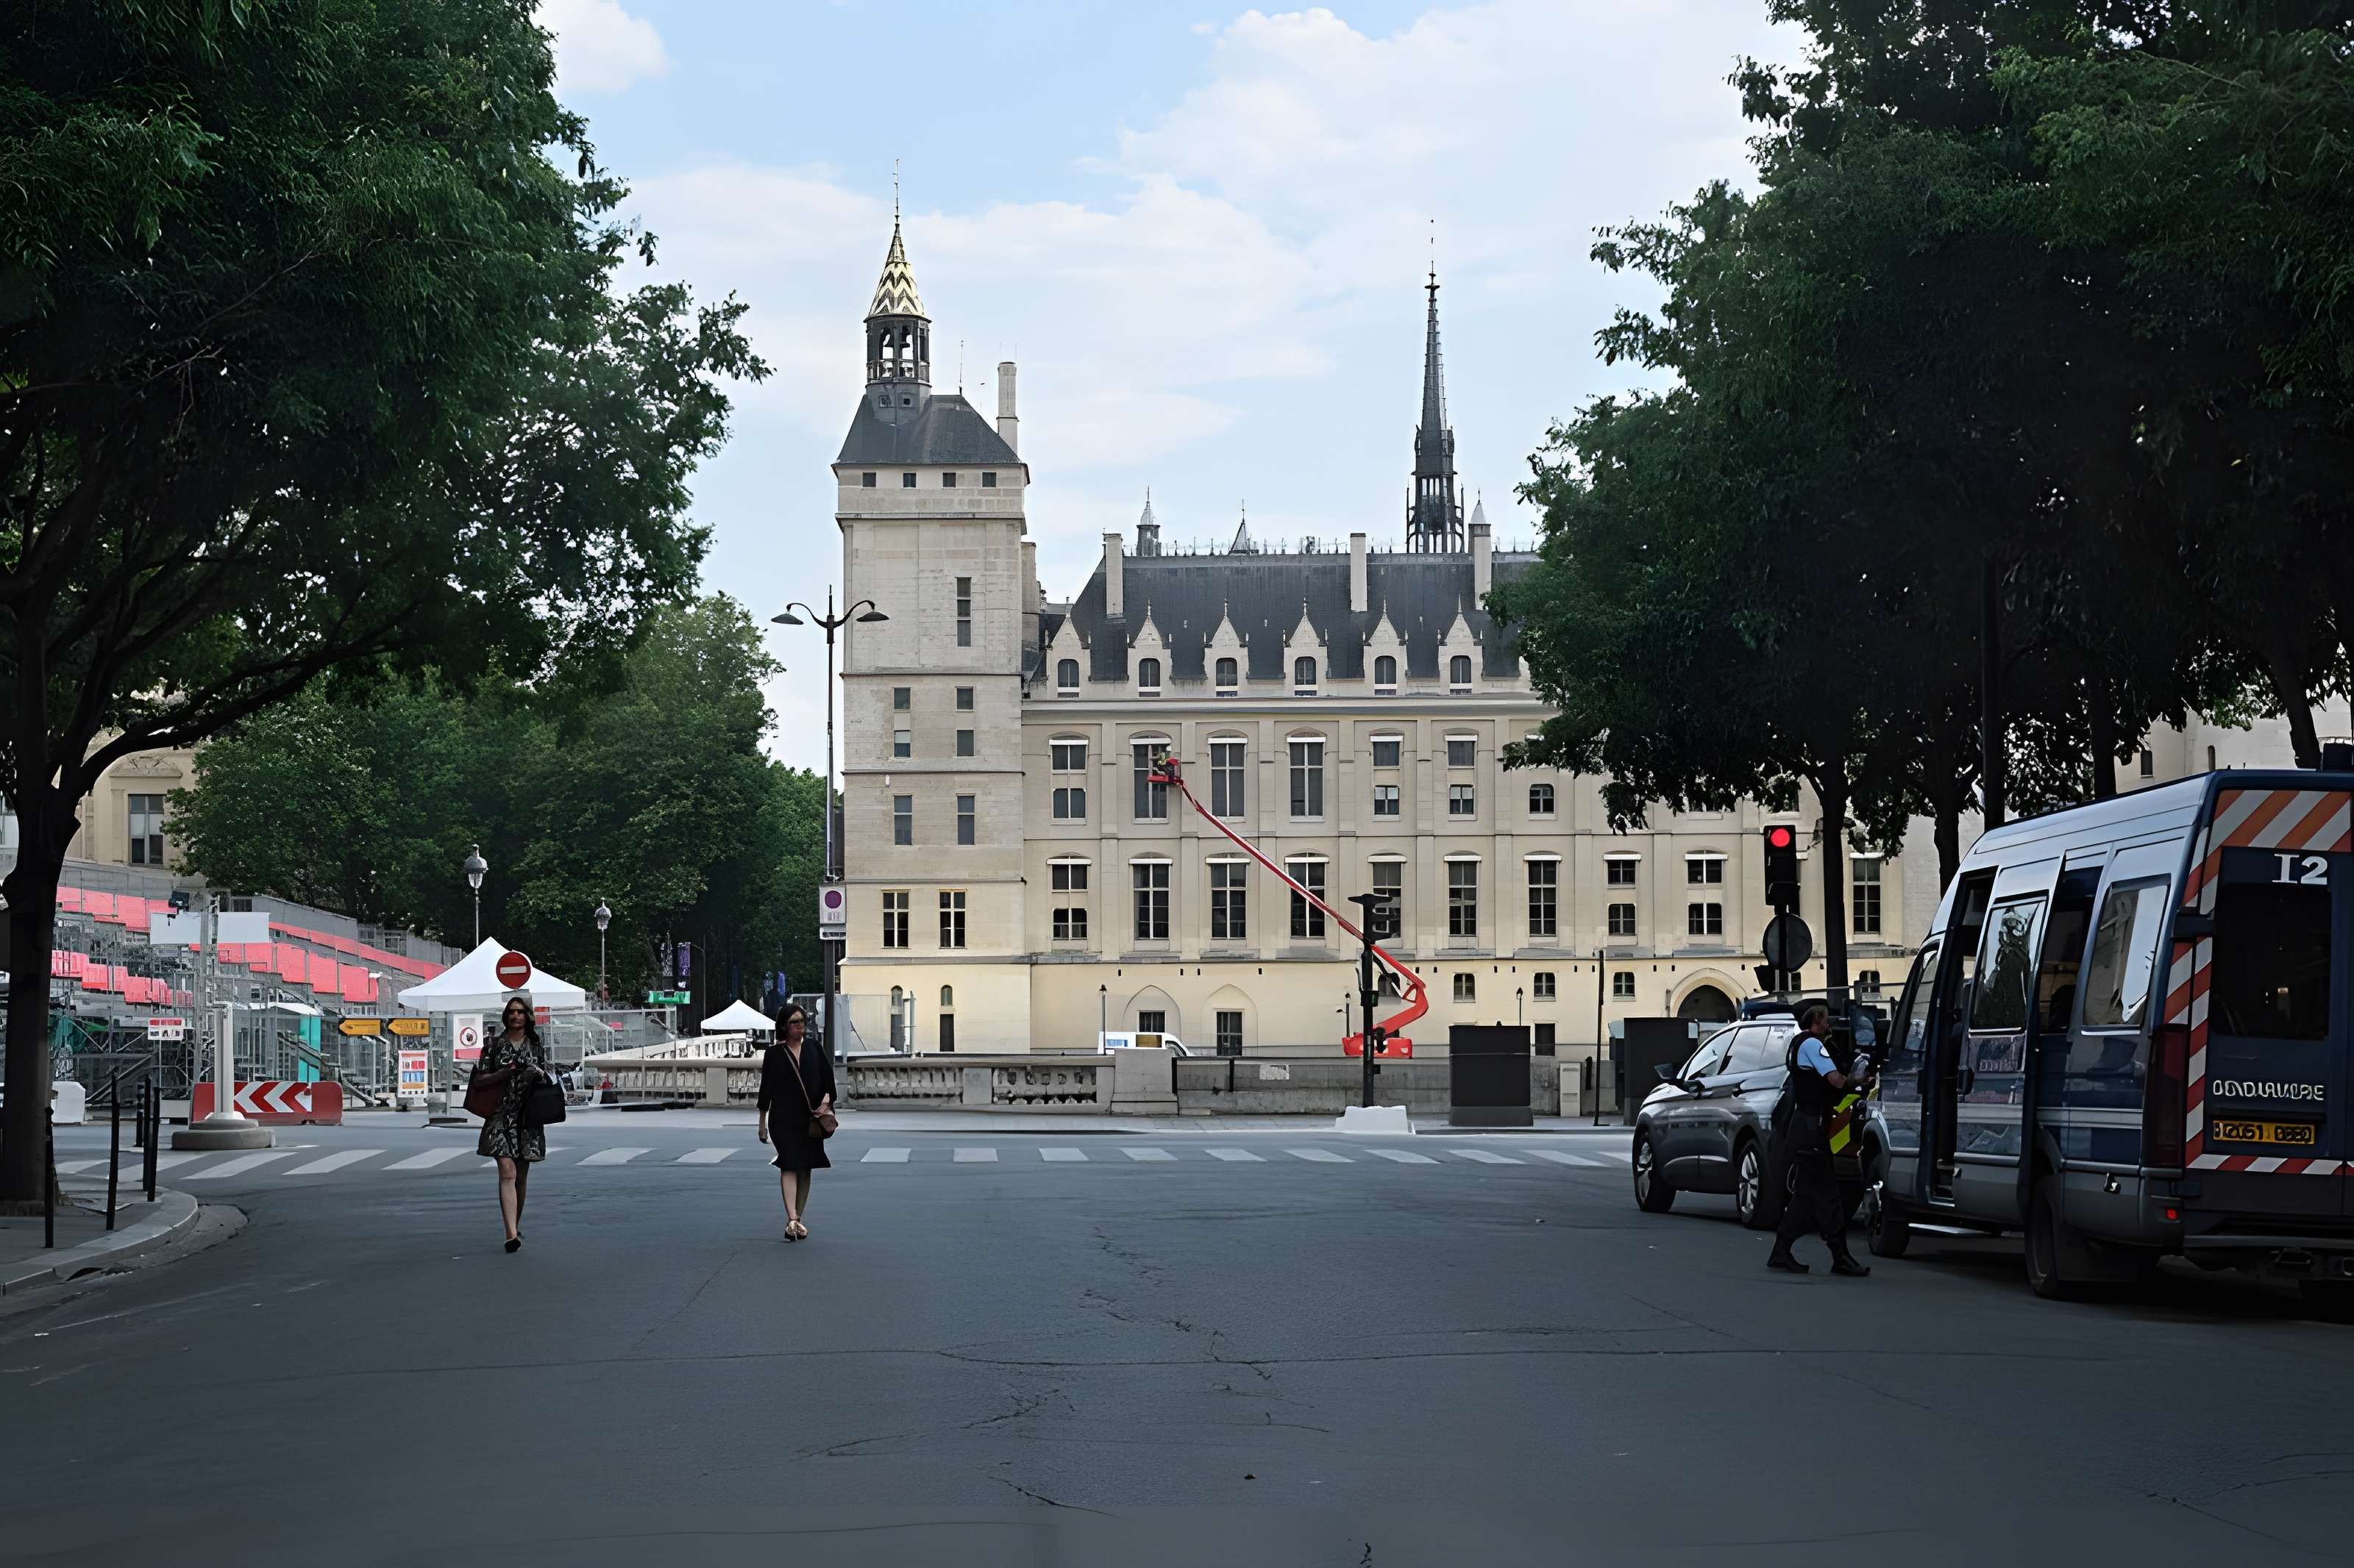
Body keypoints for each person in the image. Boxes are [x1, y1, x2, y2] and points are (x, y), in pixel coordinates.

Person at [1768, 1003, 1870, 1277]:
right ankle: (1841, 1257)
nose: (1829, 1022)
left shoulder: (1797, 1043)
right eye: (1825, 1018)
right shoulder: (1814, 1045)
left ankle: (1782, 1252)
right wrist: (1857, 1080)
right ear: (1815, 1021)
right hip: (1812, 1127)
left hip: (1804, 1125)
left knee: (1805, 1194)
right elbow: (1835, 1080)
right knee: (1827, 1193)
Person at [474, 994, 549, 1253]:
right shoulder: (493, 1045)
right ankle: (510, 1234)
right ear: (506, 1016)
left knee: (521, 1177)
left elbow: (546, 1074)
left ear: (527, 1016)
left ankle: (514, 1225)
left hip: (527, 1115)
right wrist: (503, 1073)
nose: (515, 1015)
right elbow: (479, 1079)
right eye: (511, 1011)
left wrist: (536, 1074)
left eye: (520, 1011)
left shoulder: (536, 1044)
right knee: (507, 1171)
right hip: (499, 1114)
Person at [756, 1002, 835, 1241]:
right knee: (789, 1163)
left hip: (810, 1119)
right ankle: (791, 1218)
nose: (800, 1026)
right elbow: (766, 1090)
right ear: (783, 1026)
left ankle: (796, 1219)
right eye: (795, 1022)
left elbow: (828, 1082)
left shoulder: (814, 1048)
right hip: (783, 1119)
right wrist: (762, 1123)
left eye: (802, 1021)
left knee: (806, 1167)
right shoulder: (774, 1054)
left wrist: (826, 1100)